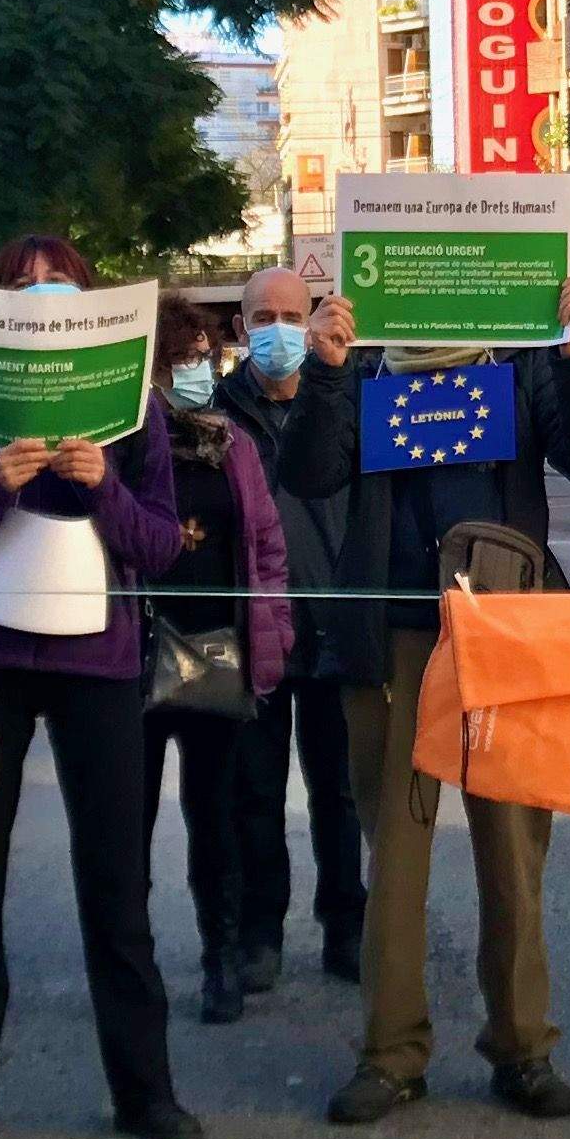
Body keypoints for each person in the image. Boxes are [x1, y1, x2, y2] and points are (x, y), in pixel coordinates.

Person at [279, 268, 570, 1128]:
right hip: (393, 637)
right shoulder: (362, 369)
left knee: (512, 850)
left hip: (503, 632)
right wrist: (322, 368)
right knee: (394, 854)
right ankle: (390, 1055)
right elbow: (309, 473)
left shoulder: (521, 358)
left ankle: (523, 1047)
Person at [0, 234, 199, 1139]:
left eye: (57, 280)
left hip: (98, 665)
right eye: (18, 281)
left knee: (116, 886)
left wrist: (104, 488)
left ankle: (145, 1094)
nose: (37, 292)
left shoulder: (133, 410)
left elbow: (159, 545)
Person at [138, 296, 293, 1022]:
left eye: (205, 357)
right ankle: (129, 967)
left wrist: (275, 634)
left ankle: (220, 959)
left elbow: (266, 545)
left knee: (217, 816)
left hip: (218, 650)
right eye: (183, 361)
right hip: (138, 655)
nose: (200, 372)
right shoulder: (130, 444)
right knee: (125, 823)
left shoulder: (232, 444)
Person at [217, 264, 363, 984]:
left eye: (289, 314)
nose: (277, 329)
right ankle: (258, 934)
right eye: (261, 316)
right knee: (255, 791)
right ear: (240, 329)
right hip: (255, 633)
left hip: (334, 623)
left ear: (312, 318)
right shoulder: (216, 414)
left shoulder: (346, 396)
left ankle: (347, 927)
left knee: (339, 792)